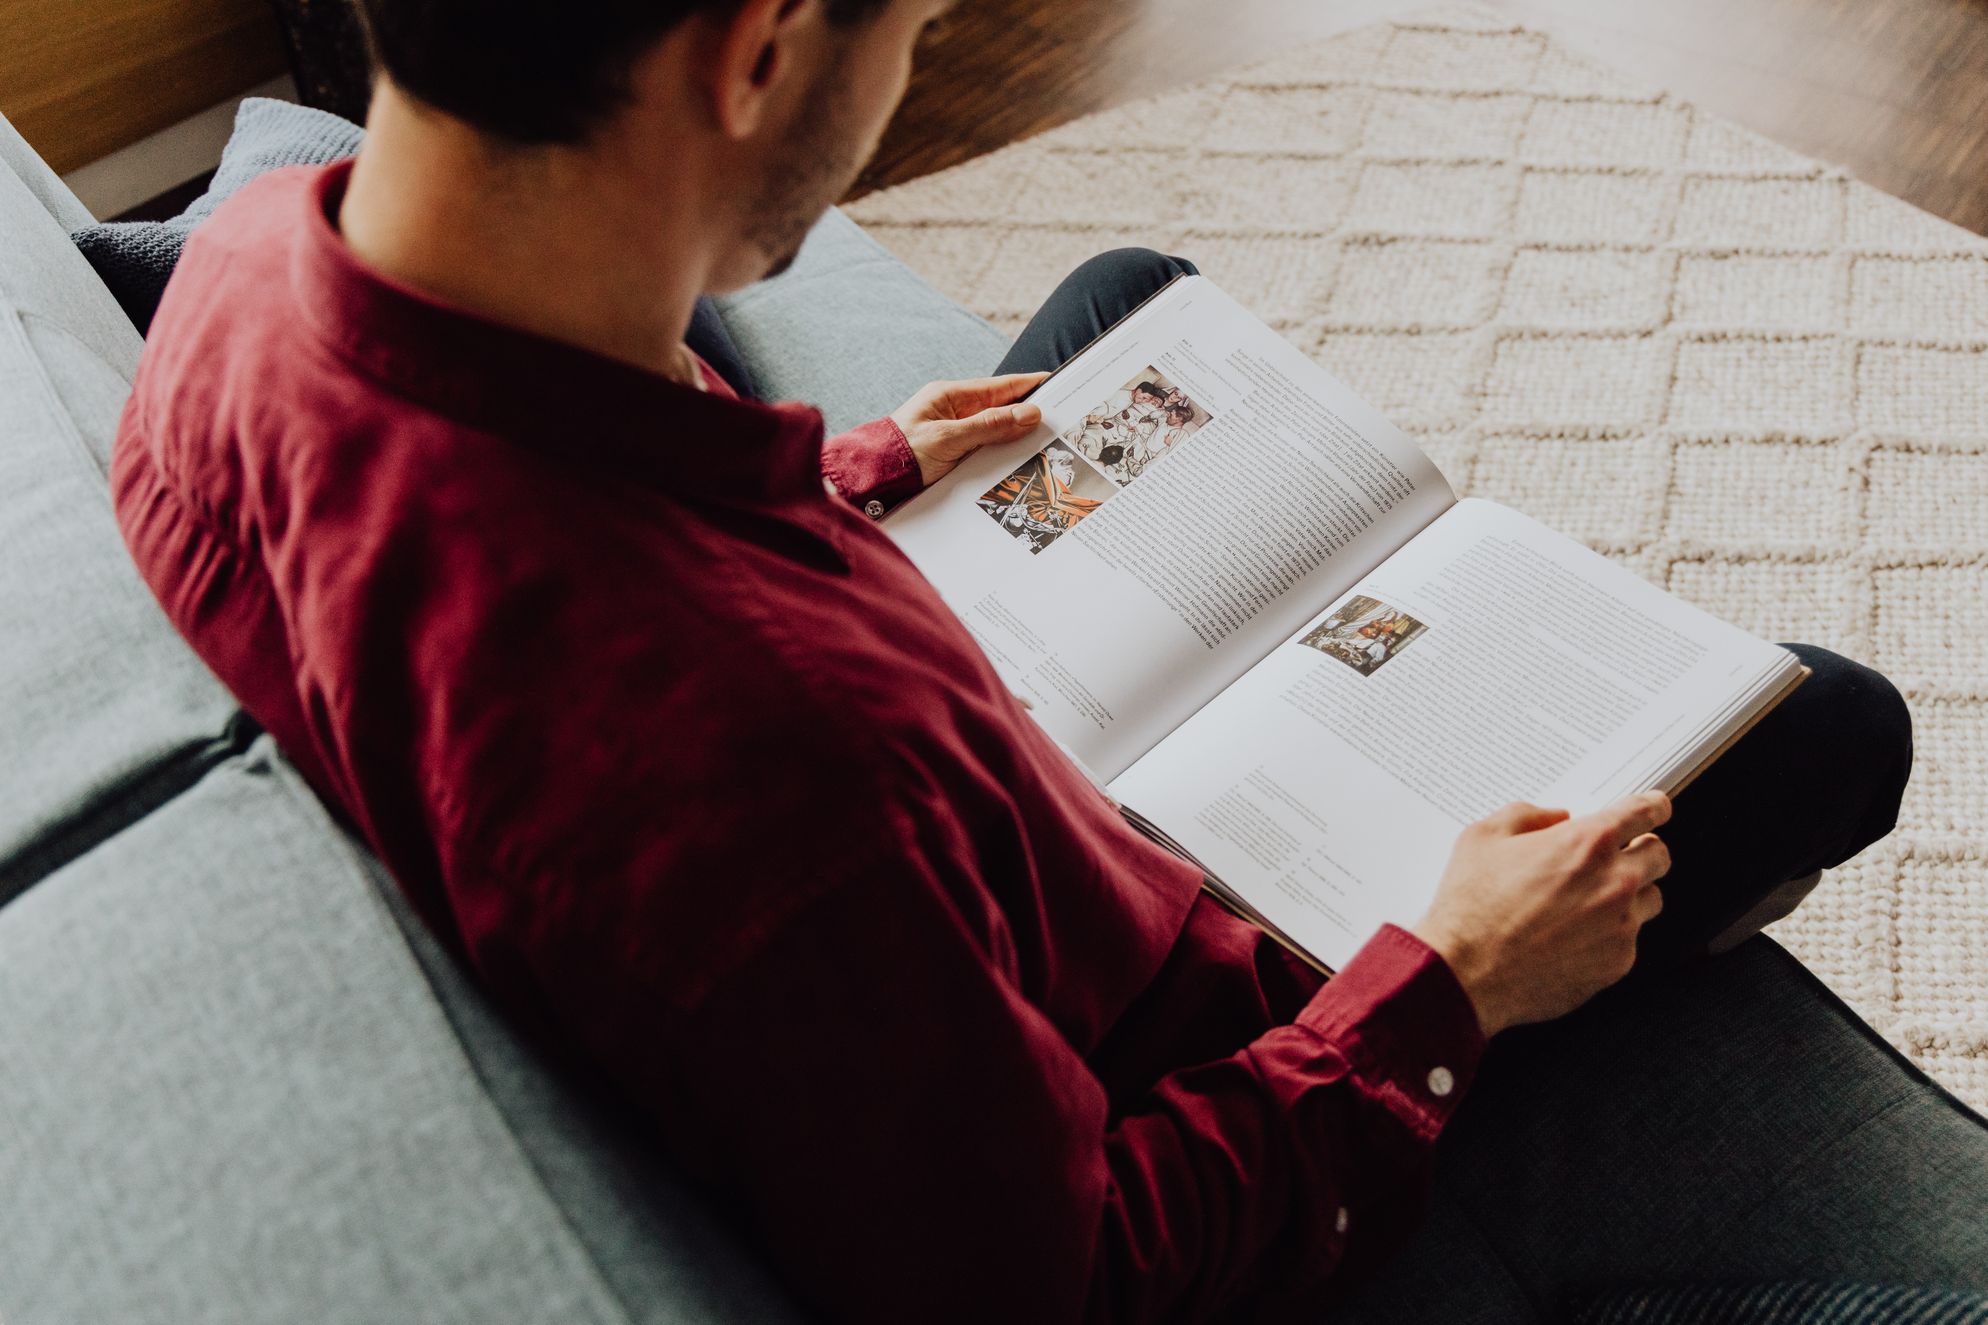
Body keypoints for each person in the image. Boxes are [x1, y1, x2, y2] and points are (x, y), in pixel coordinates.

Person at [106, 0, 1949, 1321]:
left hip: (888, 747)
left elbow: (498, 556)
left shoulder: (256, 258)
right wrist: (1456, 983)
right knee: (1825, 720)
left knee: (1124, 310)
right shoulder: (784, 783)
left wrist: (846, 481)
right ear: (756, 49)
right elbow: (1079, 1270)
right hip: (1154, 952)